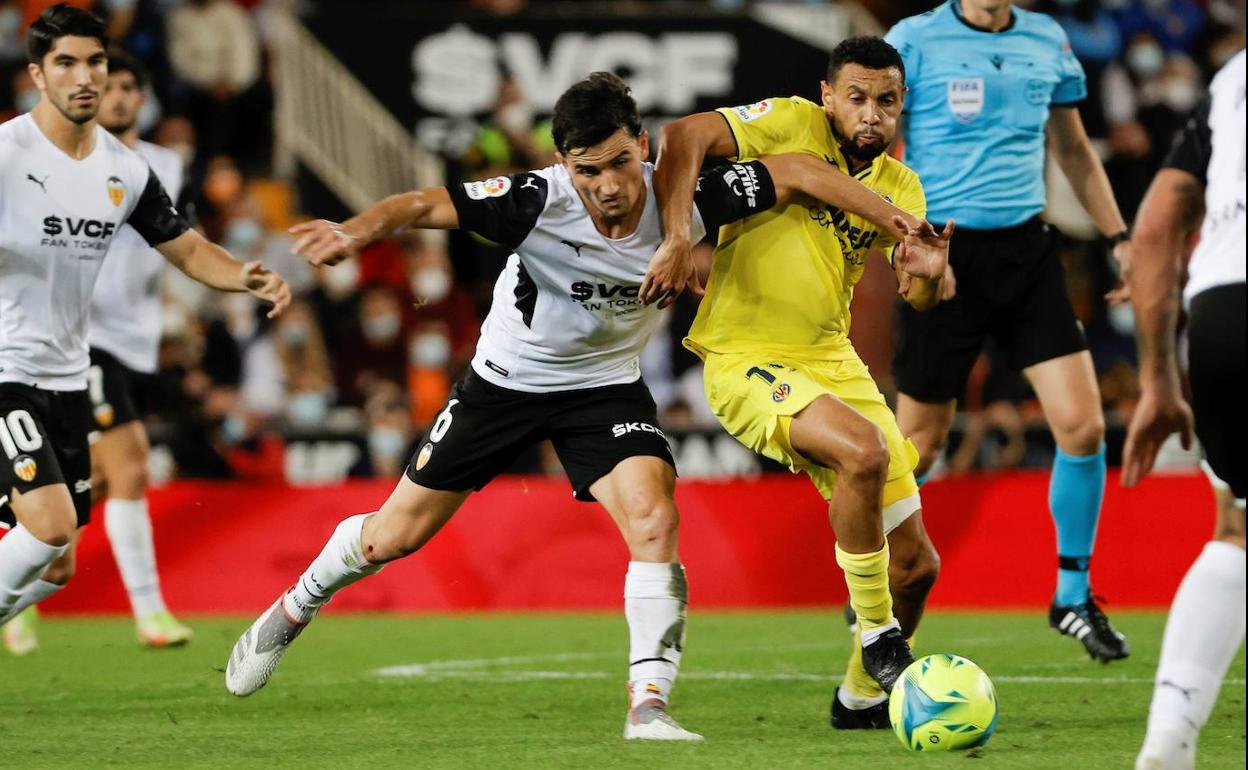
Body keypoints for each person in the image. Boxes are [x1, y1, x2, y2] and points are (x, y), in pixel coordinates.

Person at [223, 70, 947, 741]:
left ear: (642, 146)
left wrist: (899, 225)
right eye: (587, 170)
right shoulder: (537, 200)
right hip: (505, 383)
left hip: (602, 386)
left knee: (655, 515)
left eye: (618, 163)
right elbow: (422, 204)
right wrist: (355, 230)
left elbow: (798, 172)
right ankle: (295, 605)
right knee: (392, 539)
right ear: (566, 167)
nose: (605, 186)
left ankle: (649, 707)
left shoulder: (686, 194)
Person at [643, 36, 951, 729]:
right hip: (745, 357)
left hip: (831, 361)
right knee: (864, 452)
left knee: (917, 566)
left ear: (902, 107)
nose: (871, 113)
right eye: (858, 97)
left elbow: (921, 291)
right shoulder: (786, 123)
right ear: (828, 96)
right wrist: (673, 235)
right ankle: (877, 637)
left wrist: (930, 282)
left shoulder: (902, 187)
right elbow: (681, 136)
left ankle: (859, 700)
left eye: (887, 101)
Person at [0, 5, 289, 637]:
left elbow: (185, 248)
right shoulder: (5, 155)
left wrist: (243, 273)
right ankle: (149, 609)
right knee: (46, 528)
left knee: (55, 564)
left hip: (68, 379)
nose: (85, 76)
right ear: (37, 76)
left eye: (95, 62)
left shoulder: (126, 169)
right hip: (6, 373)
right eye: (66, 63)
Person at [884, 0, 1133, 662]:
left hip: (1026, 254)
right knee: (920, 446)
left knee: (1083, 428)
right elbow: (872, 147)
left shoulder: (1047, 40)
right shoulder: (913, 40)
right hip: (943, 254)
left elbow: (1075, 149)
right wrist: (898, 239)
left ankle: (1072, 596)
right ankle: (879, 616)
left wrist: (1119, 238)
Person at [3, 48, 194, 656]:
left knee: (86, 507)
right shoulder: (43, 159)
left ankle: (20, 579)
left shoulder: (158, 166)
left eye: (128, 88)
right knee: (133, 464)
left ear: (140, 97)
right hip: (84, 341)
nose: (115, 96)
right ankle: (150, 611)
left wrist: (187, 307)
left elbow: (174, 245)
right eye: (110, 87)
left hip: (138, 340)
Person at [1121, 49, 1244, 770]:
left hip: (1224, 308)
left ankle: (1172, 729)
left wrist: (1159, 380)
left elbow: (1156, 230)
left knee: (1236, 527)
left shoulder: (1232, 80)